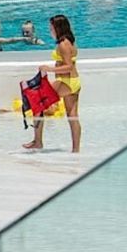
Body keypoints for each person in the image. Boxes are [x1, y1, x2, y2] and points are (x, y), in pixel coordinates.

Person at [24, 15, 80, 152]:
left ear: (58, 28)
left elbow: (68, 67)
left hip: (65, 81)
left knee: (37, 102)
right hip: (74, 82)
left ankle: (38, 141)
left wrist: (49, 69)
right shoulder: (70, 42)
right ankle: (76, 150)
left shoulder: (63, 44)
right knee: (72, 117)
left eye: (51, 27)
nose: (50, 30)